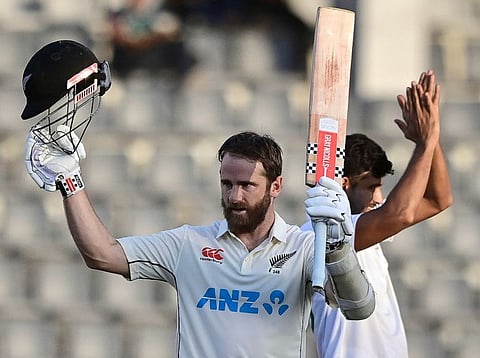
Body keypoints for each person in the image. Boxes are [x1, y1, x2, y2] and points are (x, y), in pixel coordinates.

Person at [21, 40, 357, 357]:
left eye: (247, 185)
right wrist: (70, 183)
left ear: (276, 186)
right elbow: (101, 255)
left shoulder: (303, 249)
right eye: (227, 183)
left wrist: (339, 247)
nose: (234, 196)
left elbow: (358, 307)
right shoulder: (189, 245)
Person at [304, 70, 453, 357]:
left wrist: (432, 140)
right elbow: (401, 214)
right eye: (372, 187)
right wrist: (424, 143)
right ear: (344, 184)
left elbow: (438, 200)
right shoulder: (322, 232)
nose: (379, 198)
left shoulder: (363, 228)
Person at [108, 0, 194, 78]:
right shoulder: (119, 16)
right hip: (129, 72)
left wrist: (154, 37)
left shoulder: (162, 14)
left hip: (160, 74)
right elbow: (122, 38)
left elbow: (173, 30)